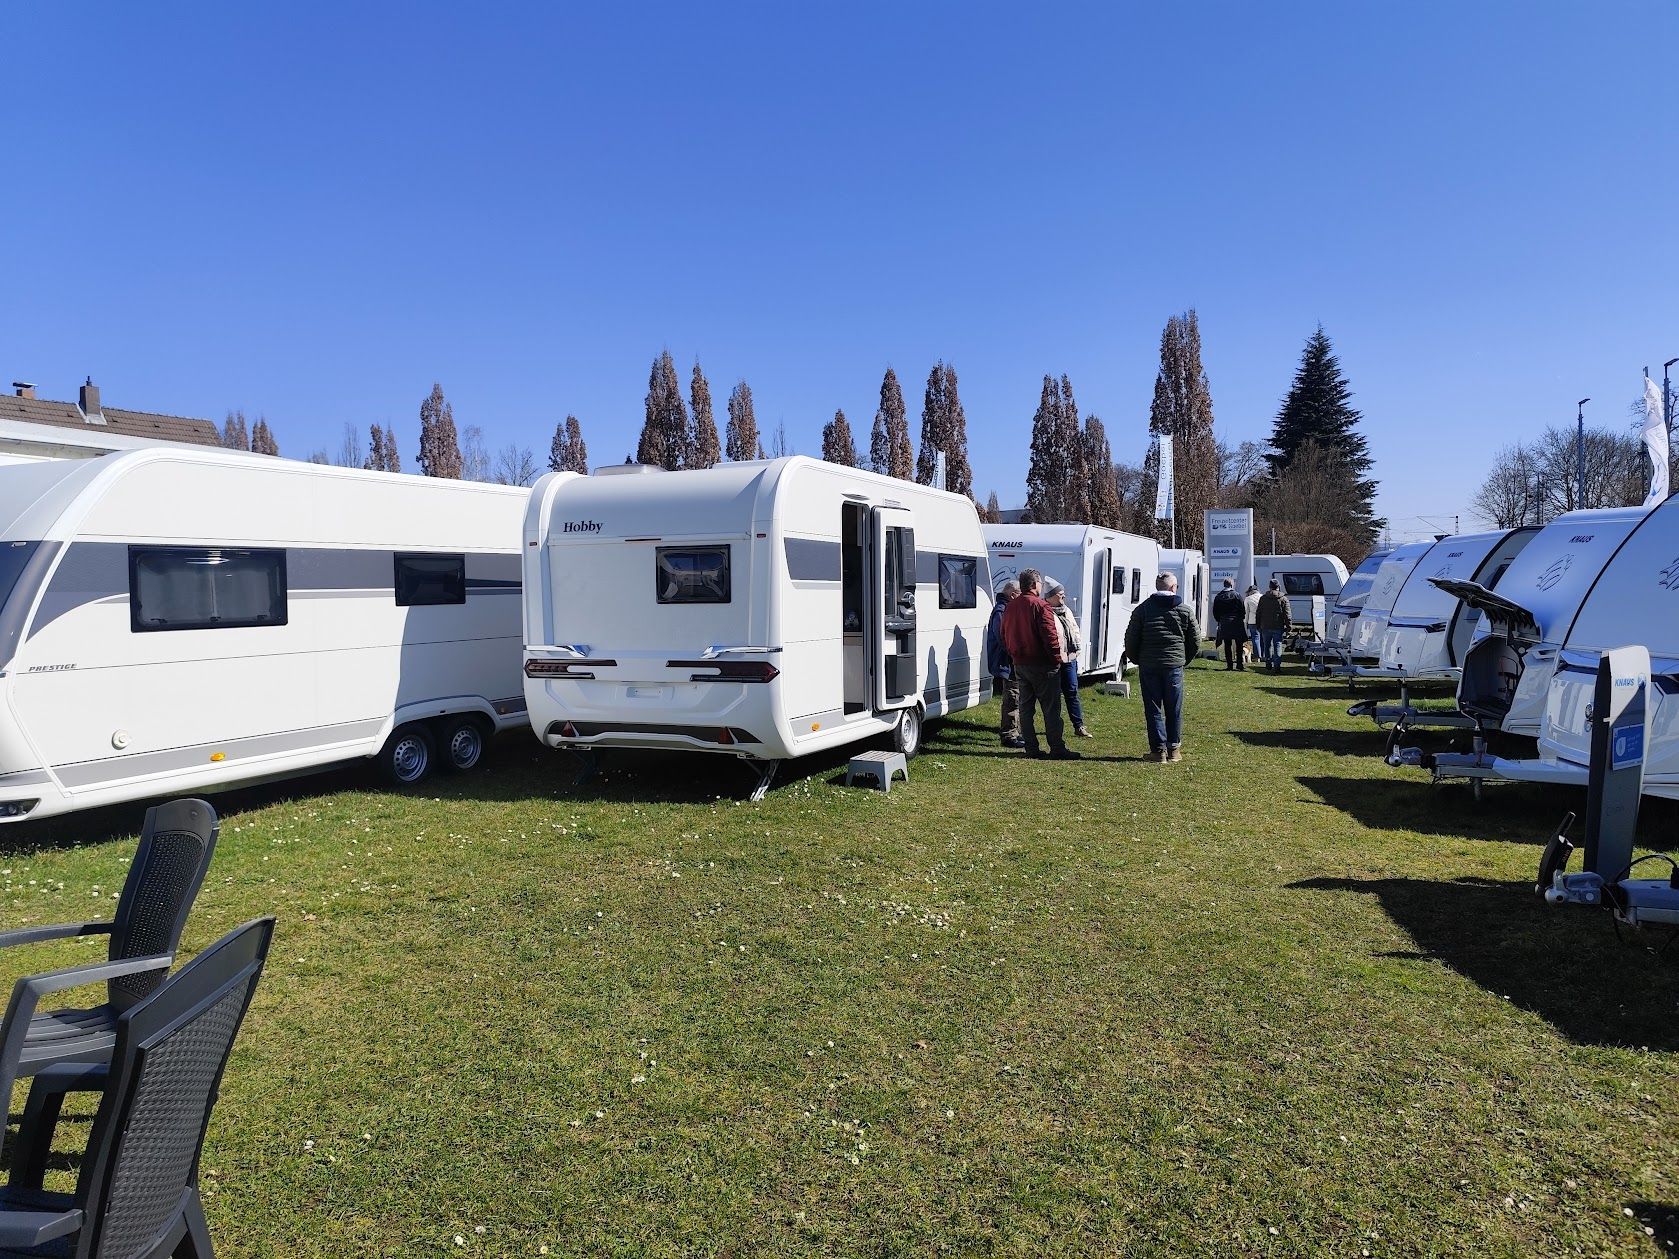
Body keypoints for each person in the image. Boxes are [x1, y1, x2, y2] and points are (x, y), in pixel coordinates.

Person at [1001, 568, 1080, 759]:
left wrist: (1014, 654)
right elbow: (1050, 636)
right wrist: (1056, 659)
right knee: (1051, 708)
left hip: (1020, 663)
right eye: (1040, 584)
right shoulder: (1041, 606)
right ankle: (1057, 747)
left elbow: (1004, 634)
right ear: (1034, 584)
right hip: (1043, 664)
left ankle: (1031, 747)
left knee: (1026, 708)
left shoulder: (1011, 606)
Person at [1122, 571, 1200, 763]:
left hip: (1149, 665)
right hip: (1174, 665)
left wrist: (1137, 659)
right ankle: (1174, 749)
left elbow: (1131, 640)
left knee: (1153, 708)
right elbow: (1195, 641)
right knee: (1174, 707)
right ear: (1174, 588)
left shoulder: (1142, 610)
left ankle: (1158, 751)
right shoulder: (1185, 610)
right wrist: (1183, 659)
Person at [1044, 580, 1093, 738]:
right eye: (1060, 594)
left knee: (1072, 691)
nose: (1063, 597)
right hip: (1053, 659)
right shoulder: (1045, 612)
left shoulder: (1066, 610)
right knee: (1053, 694)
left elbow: (1074, 630)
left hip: (1070, 658)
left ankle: (1079, 726)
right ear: (1051, 596)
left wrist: (1076, 650)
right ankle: (1054, 726)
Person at [986, 581, 1024, 748]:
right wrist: (1016, 654)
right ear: (1013, 595)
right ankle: (1009, 735)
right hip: (1007, 662)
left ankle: (1015, 731)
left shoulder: (1005, 609)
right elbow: (1004, 638)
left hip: (1009, 661)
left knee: (1016, 696)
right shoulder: (1001, 611)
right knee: (1012, 697)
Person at [1256, 579, 1291, 673]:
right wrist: (1289, 627)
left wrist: (1258, 625)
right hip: (1278, 626)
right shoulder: (1283, 599)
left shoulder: (1263, 598)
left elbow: (1258, 613)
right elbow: (1287, 615)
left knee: (1267, 646)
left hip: (1265, 626)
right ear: (1278, 586)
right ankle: (1277, 665)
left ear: (1269, 586)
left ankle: (1268, 662)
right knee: (1278, 645)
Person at [1212, 578, 1247, 671]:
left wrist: (1219, 620)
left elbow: (1215, 611)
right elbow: (1242, 609)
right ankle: (1239, 664)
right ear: (1232, 584)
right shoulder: (1237, 595)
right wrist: (1241, 617)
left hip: (1224, 621)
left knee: (1227, 644)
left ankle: (1229, 665)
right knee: (1239, 644)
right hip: (1236, 621)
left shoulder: (1218, 596)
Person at [1243, 584, 1262, 667]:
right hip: (1263, 621)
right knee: (1264, 638)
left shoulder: (1248, 599)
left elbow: (1246, 613)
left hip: (1252, 621)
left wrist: (1245, 623)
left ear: (1250, 592)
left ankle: (1257, 656)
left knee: (1255, 638)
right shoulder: (1263, 597)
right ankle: (1264, 655)